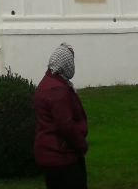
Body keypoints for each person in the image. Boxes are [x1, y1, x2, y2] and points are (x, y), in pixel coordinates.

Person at [34, 44, 88, 189]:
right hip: (61, 156)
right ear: (66, 64)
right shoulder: (57, 89)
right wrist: (81, 145)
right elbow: (65, 125)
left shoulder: (47, 82)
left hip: (51, 153)